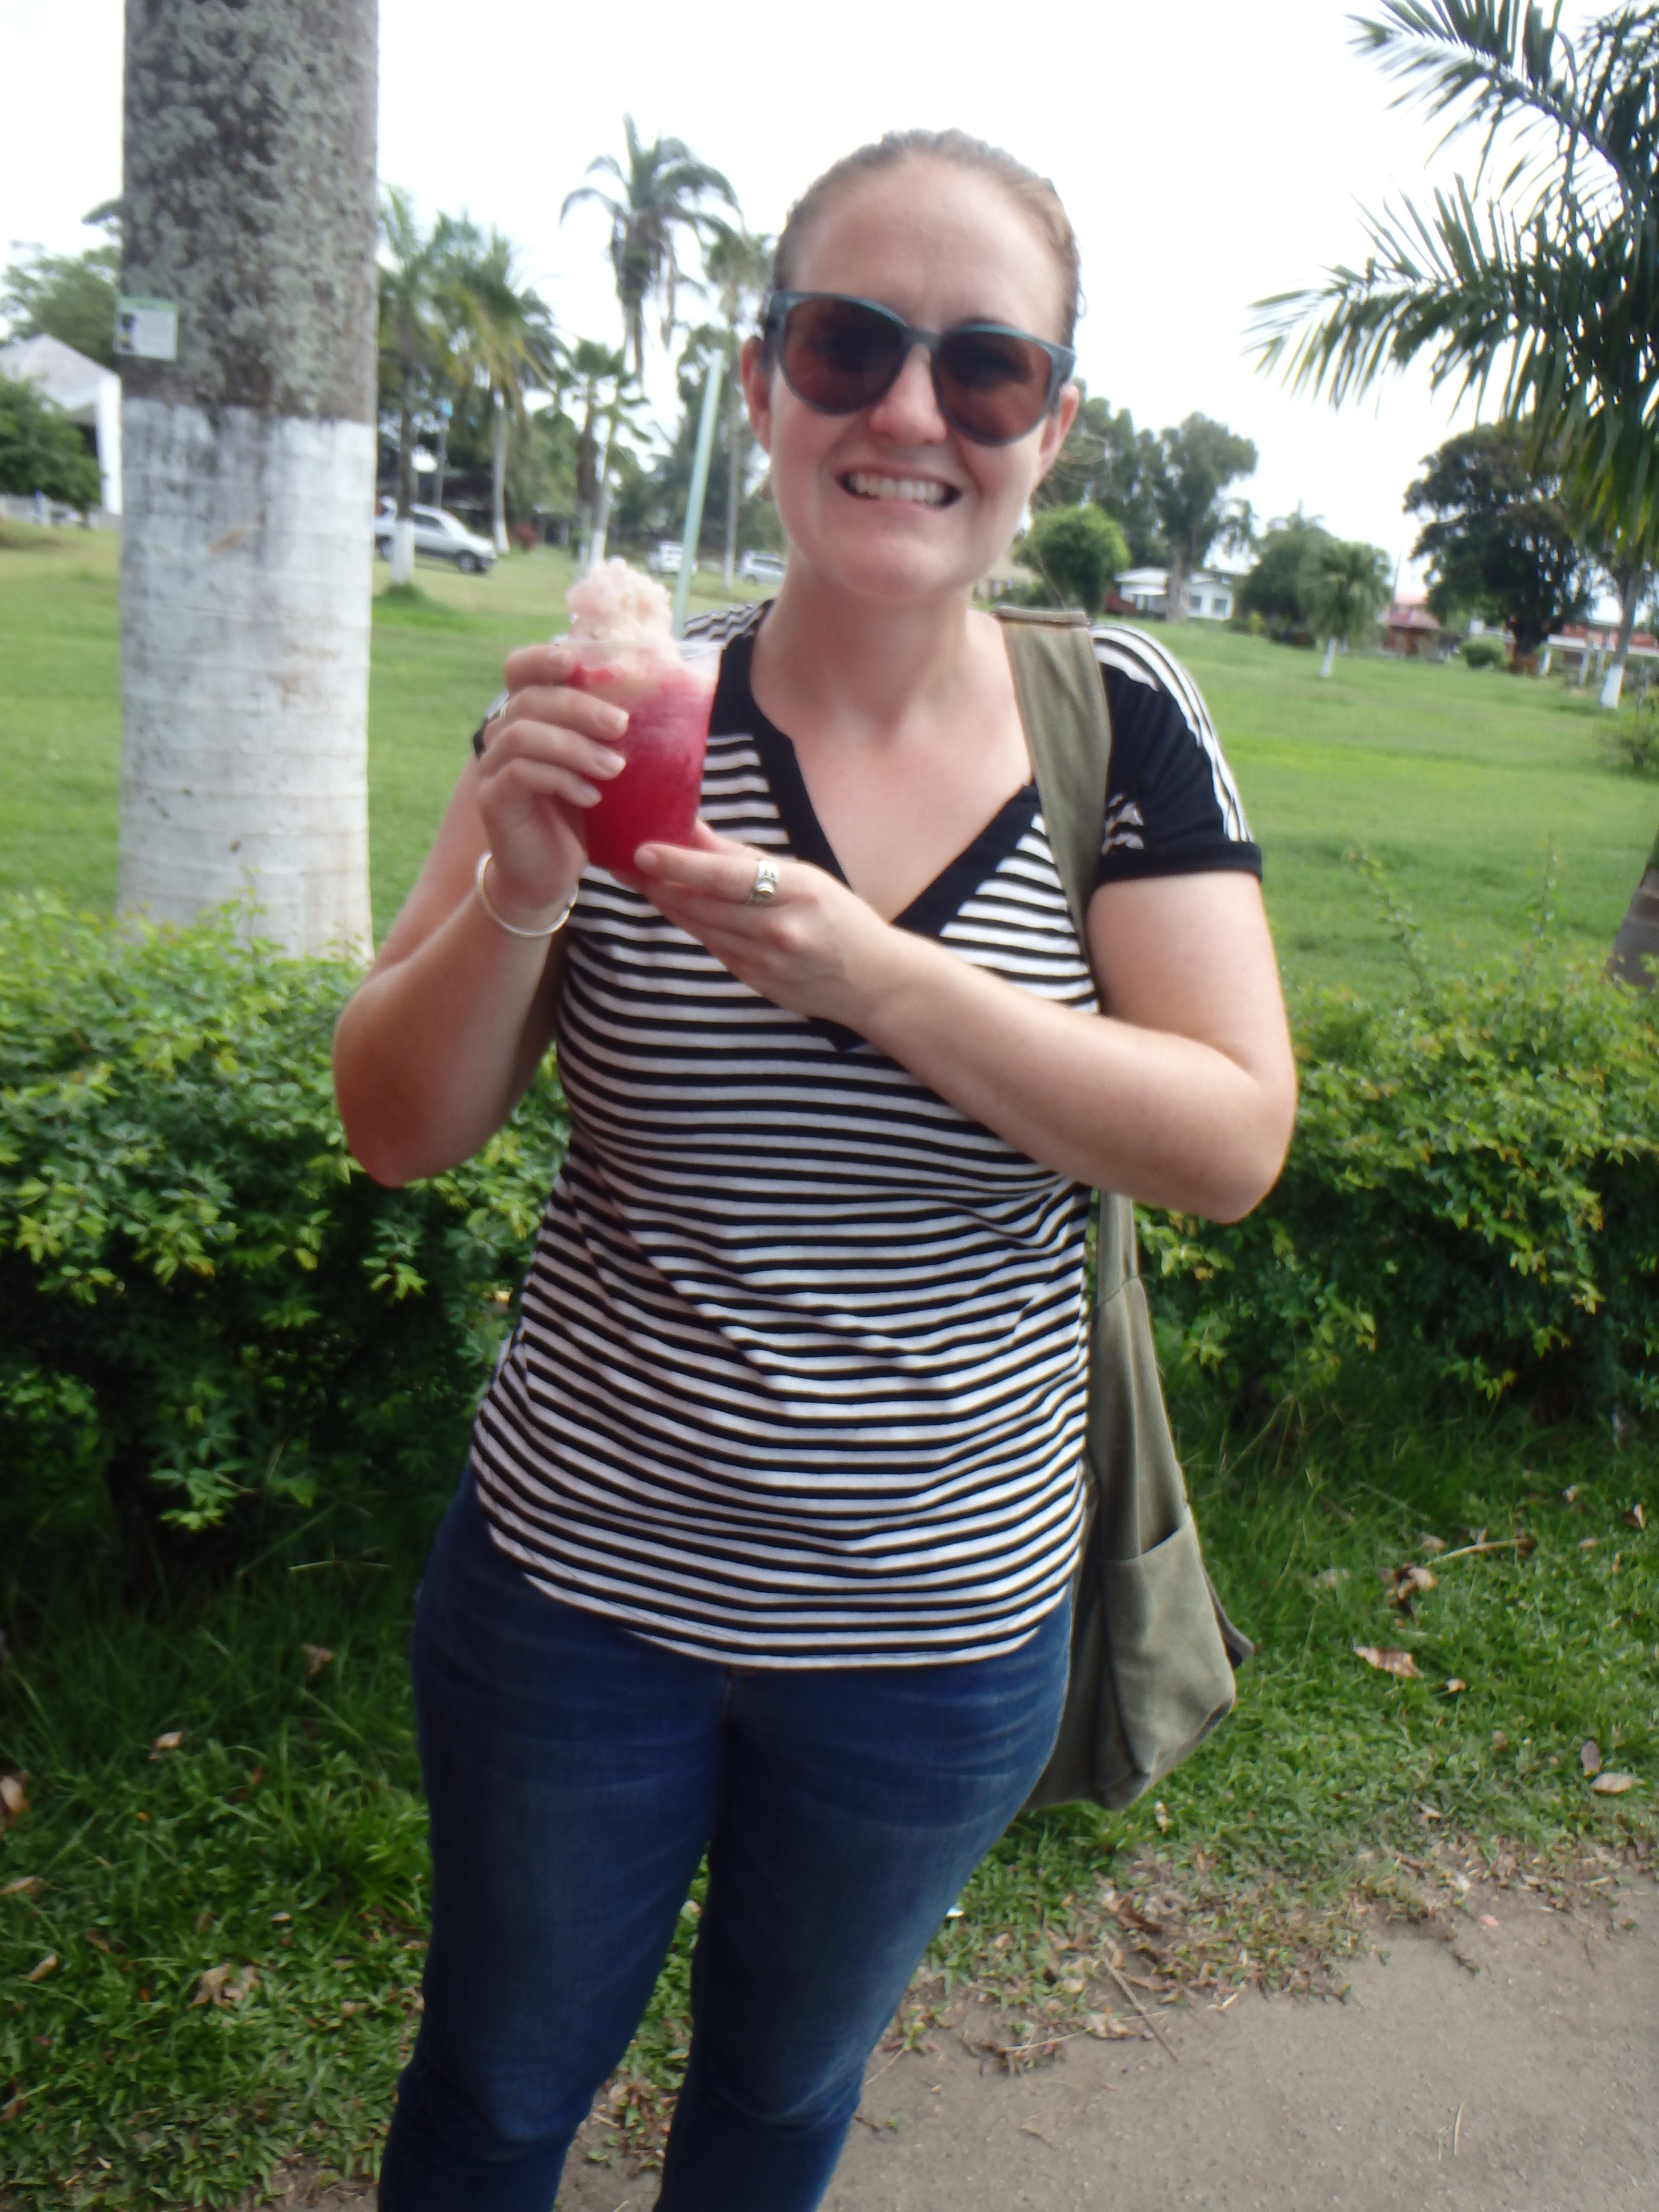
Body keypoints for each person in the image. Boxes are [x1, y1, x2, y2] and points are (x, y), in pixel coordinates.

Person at [334, 127, 1297, 2212]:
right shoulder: (616, 706)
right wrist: (513, 893)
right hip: (576, 1604)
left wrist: (876, 979)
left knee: (777, 2108)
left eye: (985, 369)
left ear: (1052, 419)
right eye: (851, 345)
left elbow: (1230, 1136)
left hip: (939, 1634)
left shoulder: (1120, 721)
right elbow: (395, 1129)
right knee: (500, 2094)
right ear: (763, 379)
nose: (908, 413)